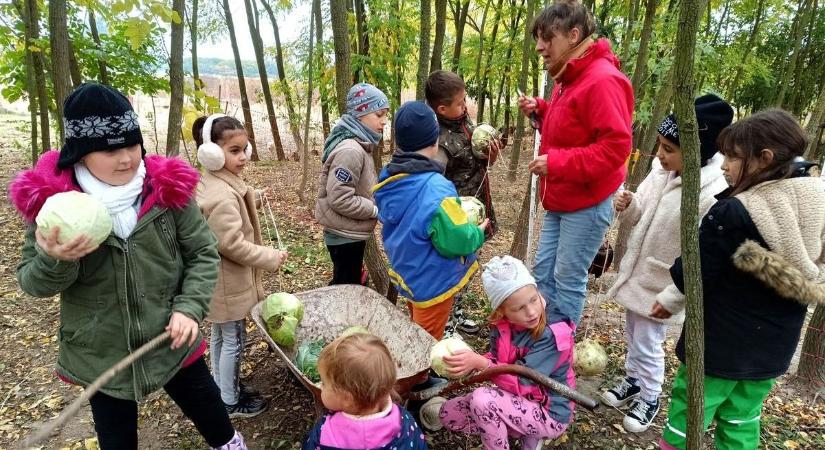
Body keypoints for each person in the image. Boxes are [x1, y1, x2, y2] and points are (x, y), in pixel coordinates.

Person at [11, 83, 246, 449]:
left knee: (215, 420)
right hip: (100, 354)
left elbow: (203, 253)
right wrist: (55, 259)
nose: (125, 158)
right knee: (117, 439)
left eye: (132, 144)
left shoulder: (167, 191)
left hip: (172, 339)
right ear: (81, 153)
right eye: (109, 149)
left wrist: (188, 308)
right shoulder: (55, 206)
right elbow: (32, 282)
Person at [658, 109, 825, 450]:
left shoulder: (734, 212)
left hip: (719, 347)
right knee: (741, 419)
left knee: (688, 415)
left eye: (733, 157)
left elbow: (695, 271)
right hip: (771, 350)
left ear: (764, 159)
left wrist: (668, 298)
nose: (723, 166)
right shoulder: (817, 199)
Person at [600, 95, 733, 433]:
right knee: (632, 333)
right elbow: (640, 209)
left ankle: (650, 394)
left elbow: (700, 249)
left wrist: (678, 290)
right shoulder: (661, 170)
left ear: (696, 151)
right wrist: (628, 205)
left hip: (662, 280)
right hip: (637, 271)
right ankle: (632, 380)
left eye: (669, 149)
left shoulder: (711, 190)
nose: (659, 154)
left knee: (648, 340)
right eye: (659, 145)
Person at [518, 0, 633, 325]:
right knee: (543, 272)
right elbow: (574, 125)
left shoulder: (602, 80)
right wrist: (541, 108)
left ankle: (558, 353)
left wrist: (556, 163)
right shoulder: (569, 77)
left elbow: (615, 147)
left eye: (546, 38)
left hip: (586, 202)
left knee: (567, 279)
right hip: (563, 199)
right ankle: (541, 338)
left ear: (573, 34)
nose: (540, 46)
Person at [418, 256, 575, 450]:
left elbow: (524, 381)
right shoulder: (502, 326)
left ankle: (525, 434)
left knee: (483, 401)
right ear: (503, 311)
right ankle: (519, 428)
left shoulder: (554, 333)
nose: (532, 312)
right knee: (448, 415)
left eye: (534, 300)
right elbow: (496, 360)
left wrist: (482, 364)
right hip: (515, 401)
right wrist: (471, 363)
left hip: (549, 412)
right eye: (519, 308)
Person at [194, 113, 288, 417]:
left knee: (222, 336)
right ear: (210, 152)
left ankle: (223, 387)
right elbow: (231, 243)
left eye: (244, 149)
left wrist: (255, 198)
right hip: (229, 284)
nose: (243, 157)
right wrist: (270, 257)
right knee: (234, 339)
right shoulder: (221, 195)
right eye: (234, 151)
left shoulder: (214, 182)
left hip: (219, 282)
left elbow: (234, 200)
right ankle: (231, 401)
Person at [373, 101, 488, 341]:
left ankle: (413, 360)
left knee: (418, 323)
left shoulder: (390, 179)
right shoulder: (438, 189)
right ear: (435, 142)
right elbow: (455, 239)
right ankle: (421, 375)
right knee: (427, 341)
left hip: (409, 273)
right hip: (433, 281)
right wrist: (477, 233)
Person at [425, 70, 501, 336]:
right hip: (457, 220)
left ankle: (456, 316)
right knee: (453, 271)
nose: (465, 106)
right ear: (442, 109)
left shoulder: (466, 124)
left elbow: (480, 162)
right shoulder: (439, 142)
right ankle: (445, 324)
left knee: (468, 267)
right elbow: (435, 182)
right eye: (459, 103)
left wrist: (490, 155)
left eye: (465, 99)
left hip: (477, 209)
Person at [315, 83, 389, 285]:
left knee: (349, 281)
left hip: (349, 233)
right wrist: (374, 210)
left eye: (386, 115)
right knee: (345, 288)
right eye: (379, 114)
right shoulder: (351, 150)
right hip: (344, 237)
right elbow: (340, 198)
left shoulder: (360, 145)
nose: (384, 122)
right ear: (360, 114)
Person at [301, 333, 428, 450]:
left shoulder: (325, 436)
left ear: (347, 399)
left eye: (324, 383)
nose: (320, 386)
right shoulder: (405, 419)